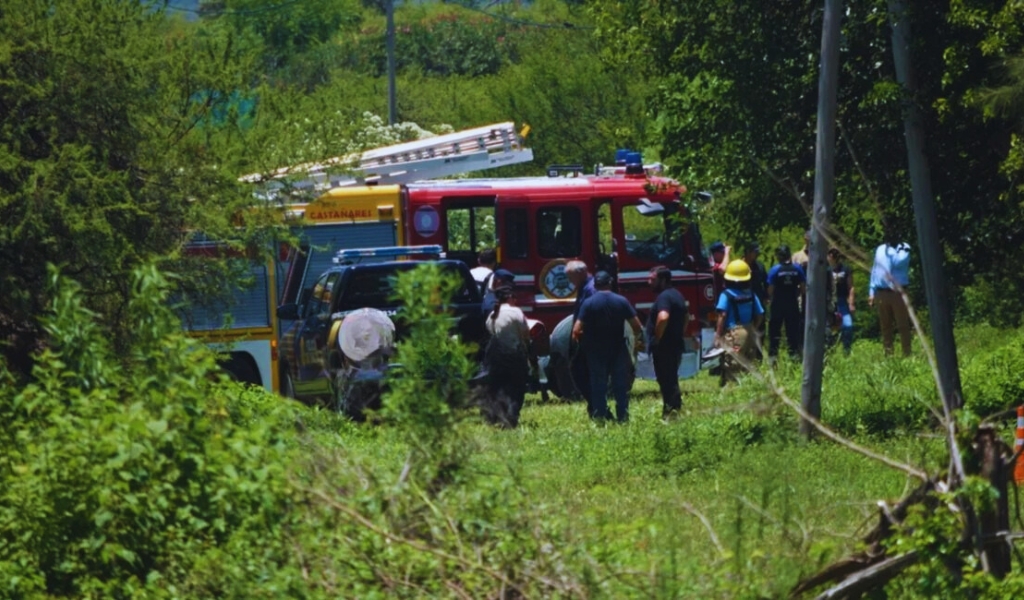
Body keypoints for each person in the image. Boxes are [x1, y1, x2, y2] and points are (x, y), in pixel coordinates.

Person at [572, 271, 643, 423]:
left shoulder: (588, 303)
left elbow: (576, 330)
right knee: (620, 385)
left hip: (596, 351)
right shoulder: (622, 301)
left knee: (598, 384)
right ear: (610, 282)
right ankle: (623, 417)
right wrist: (637, 342)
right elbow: (637, 326)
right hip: (618, 349)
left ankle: (600, 416)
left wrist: (582, 344)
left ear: (596, 285)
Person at [480, 285, 534, 428]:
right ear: (510, 297)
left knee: (499, 387)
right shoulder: (515, 311)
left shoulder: (492, 315)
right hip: (514, 355)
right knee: (517, 388)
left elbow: (489, 331)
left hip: (495, 357)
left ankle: (494, 416)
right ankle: (511, 417)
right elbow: (525, 333)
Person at [645, 266, 690, 419]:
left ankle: (671, 414)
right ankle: (673, 411)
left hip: (664, 347)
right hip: (675, 344)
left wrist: (657, 338)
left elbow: (663, 317)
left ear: (663, 280)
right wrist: (679, 333)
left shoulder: (664, 297)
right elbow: (686, 317)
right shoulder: (677, 295)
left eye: (652, 279)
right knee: (671, 379)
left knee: (667, 382)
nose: (648, 282)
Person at [714, 259, 765, 386]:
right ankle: (747, 388)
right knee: (748, 362)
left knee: (732, 362)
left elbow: (722, 315)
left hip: (734, 332)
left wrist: (718, 335)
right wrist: (753, 328)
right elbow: (760, 315)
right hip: (750, 331)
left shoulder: (726, 295)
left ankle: (732, 390)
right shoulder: (752, 295)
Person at [868, 229, 912, 356]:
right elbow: (875, 270)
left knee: (902, 325)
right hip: (881, 292)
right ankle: (888, 354)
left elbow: (898, 262)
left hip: (898, 293)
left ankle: (907, 354)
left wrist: (891, 250)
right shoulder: (880, 249)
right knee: (885, 326)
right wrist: (871, 291)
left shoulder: (904, 248)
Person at [766, 244, 806, 361]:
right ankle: (794, 357)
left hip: (777, 305)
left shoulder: (775, 270)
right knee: (792, 334)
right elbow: (803, 289)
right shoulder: (797, 269)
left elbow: (770, 290)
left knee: (774, 333)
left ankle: (773, 359)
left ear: (779, 256)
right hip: (792, 304)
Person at [566, 260, 597, 402]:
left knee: (581, 371)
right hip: (584, 337)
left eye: (571, 276)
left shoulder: (590, 289)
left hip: (589, 337)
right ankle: (594, 404)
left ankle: (595, 404)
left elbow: (591, 314)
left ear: (581, 273)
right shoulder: (583, 287)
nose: (569, 281)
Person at [828, 248, 855, 354]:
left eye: (835, 254)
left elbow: (851, 287)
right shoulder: (825, 268)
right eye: (830, 253)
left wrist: (851, 303)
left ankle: (846, 350)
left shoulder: (845, 269)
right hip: (829, 301)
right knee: (830, 328)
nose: (832, 256)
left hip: (842, 300)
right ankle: (830, 350)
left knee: (848, 325)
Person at [743, 241, 768, 357]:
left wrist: (767, 297)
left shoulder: (760, 266)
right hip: (743, 303)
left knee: (760, 329)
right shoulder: (739, 266)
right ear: (748, 252)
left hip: (758, 302)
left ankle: (758, 355)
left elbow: (766, 283)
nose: (757, 254)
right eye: (755, 252)